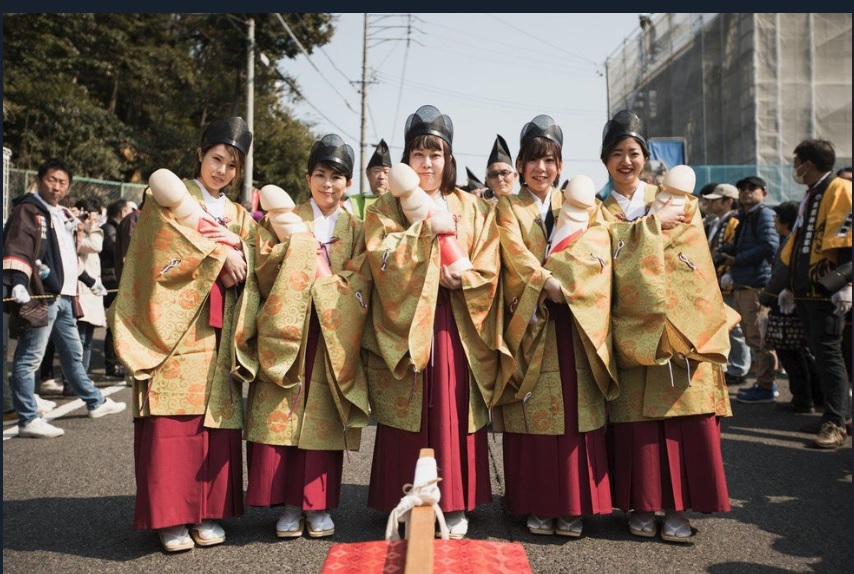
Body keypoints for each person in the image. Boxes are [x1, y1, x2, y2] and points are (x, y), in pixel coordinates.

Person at [108, 117, 257, 552]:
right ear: (200, 154)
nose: (222, 171)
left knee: (215, 421)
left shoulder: (239, 214)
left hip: (221, 328)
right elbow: (156, 249)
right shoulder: (169, 198)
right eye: (216, 159)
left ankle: (208, 510)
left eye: (232, 165)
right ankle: (171, 516)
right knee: (173, 421)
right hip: (175, 327)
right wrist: (217, 254)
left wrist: (243, 254)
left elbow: (256, 260)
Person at [363, 104, 508, 539]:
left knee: (452, 405)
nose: (427, 163)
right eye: (419, 154)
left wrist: (464, 279)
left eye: (436, 154)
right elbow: (380, 257)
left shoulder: (472, 206)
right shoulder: (384, 208)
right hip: (408, 322)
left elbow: (490, 260)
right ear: (406, 159)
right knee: (410, 405)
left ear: (449, 160)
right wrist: (428, 251)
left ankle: (456, 499)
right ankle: (404, 496)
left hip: (457, 324)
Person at [599, 110, 732, 543]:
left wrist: (639, 235)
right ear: (604, 162)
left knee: (682, 420)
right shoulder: (598, 212)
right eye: (616, 153)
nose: (626, 161)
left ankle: (677, 507)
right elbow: (603, 263)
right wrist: (652, 227)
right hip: (629, 327)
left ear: (645, 157)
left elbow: (691, 261)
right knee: (636, 424)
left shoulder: (677, 197)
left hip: (678, 325)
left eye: (633, 152)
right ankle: (641, 503)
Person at [242, 134, 372, 539]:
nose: (327, 184)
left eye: (336, 177)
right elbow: (261, 265)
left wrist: (332, 283)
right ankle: (287, 504)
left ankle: (317, 505)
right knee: (282, 411)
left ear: (348, 183)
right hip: (290, 329)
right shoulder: (284, 218)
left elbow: (362, 276)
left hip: (333, 331)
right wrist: (295, 252)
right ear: (307, 177)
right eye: (320, 175)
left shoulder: (357, 227)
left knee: (322, 416)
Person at [494, 115, 616, 537]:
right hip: (532, 321)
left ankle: (573, 505)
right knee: (533, 413)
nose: (541, 169)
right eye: (532, 160)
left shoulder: (580, 204)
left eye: (549, 160)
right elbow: (512, 252)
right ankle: (538, 502)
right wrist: (545, 281)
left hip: (574, 322)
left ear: (560, 166)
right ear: (521, 165)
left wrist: (574, 284)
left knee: (575, 412)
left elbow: (600, 246)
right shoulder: (508, 207)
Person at [3, 158, 126, 439]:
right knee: (29, 358)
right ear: (39, 179)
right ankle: (28, 418)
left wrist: (89, 281)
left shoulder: (59, 214)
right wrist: (19, 283)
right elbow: (19, 247)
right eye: (51, 180)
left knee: (74, 355)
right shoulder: (29, 210)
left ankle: (95, 401)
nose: (57, 187)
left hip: (65, 297)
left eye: (62, 182)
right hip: (41, 296)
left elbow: (69, 258)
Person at [779, 139, 852, 448]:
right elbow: (798, 245)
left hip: (829, 290)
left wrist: (846, 284)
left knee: (831, 356)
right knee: (826, 357)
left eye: (796, 162)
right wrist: (787, 287)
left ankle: (835, 422)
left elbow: (848, 238)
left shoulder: (840, 189)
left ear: (807, 164)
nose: (794, 168)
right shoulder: (813, 194)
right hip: (809, 291)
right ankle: (835, 415)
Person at [718, 176, 780, 403]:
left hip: (756, 284)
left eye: (752, 188)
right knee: (753, 336)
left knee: (760, 338)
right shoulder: (746, 216)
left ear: (764, 192)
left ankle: (766, 386)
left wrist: (737, 260)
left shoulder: (763, 214)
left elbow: (770, 246)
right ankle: (763, 384)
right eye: (742, 189)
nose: (746, 192)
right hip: (746, 283)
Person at [761, 201, 822, 414]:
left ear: (785, 222)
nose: (774, 222)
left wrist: (766, 296)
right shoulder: (798, 239)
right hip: (797, 302)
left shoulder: (790, 242)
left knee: (790, 354)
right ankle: (814, 396)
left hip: (786, 305)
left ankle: (803, 399)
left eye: (777, 219)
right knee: (801, 354)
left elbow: (780, 274)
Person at [705, 183, 751, 386]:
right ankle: (732, 365)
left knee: (734, 327)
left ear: (728, 201)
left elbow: (731, 249)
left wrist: (729, 272)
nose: (710, 203)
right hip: (717, 279)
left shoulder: (733, 220)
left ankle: (740, 367)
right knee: (725, 327)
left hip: (726, 279)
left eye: (716, 200)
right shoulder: (717, 221)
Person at [73, 196, 106, 375]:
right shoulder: (75, 235)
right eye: (88, 215)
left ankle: (82, 378)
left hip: (91, 293)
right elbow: (96, 245)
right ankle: (72, 381)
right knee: (77, 341)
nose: (92, 219)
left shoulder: (89, 233)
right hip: (80, 292)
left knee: (86, 341)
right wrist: (86, 226)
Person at [100, 197, 132, 378]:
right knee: (114, 324)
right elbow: (115, 251)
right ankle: (111, 365)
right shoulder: (109, 229)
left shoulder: (111, 228)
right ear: (122, 213)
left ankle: (114, 364)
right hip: (110, 280)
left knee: (114, 324)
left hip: (111, 279)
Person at [346, 139, 392, 220]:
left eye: (386, 172)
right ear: (367, 174)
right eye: (377, 171)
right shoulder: (352, 202)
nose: (381, 176)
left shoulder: (399, 202)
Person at [484, 134, 518, 202]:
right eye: (493, 174)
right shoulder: (481, 210)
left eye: (504, 173)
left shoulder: (526, 207)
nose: (499, 179)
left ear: (515, 176)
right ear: (487, 181)